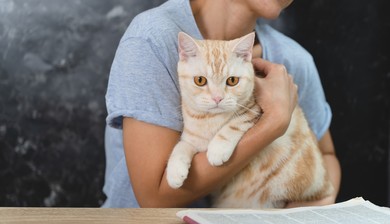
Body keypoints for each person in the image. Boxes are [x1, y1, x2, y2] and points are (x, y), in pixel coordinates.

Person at [103, 0, 341, 208]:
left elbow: (327, 154)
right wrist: (273, 123)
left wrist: (319, 204)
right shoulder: (153, 39)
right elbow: (153, 200)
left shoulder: (292, 59)